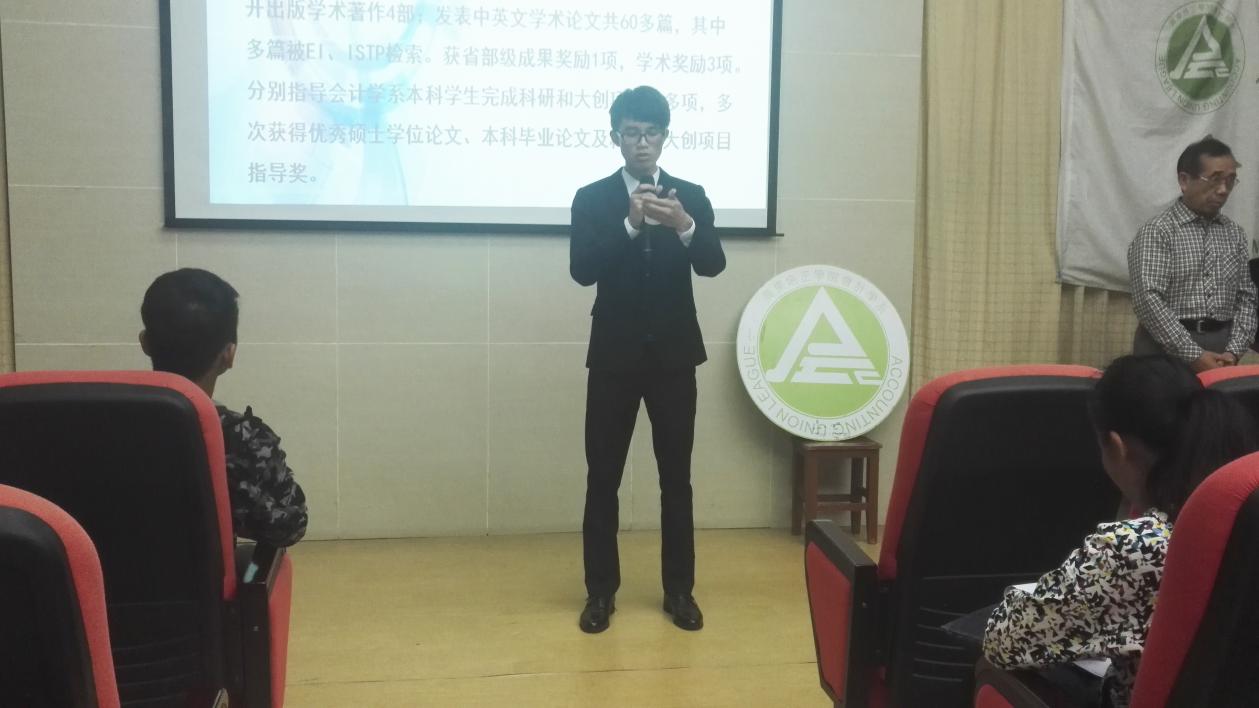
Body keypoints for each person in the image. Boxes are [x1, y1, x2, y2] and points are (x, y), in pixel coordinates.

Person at [982, 355, 1259, 708]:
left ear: (1116, 446)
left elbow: (1004, 640)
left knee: (987, 667)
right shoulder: (1242, 521)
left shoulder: (1133, 548)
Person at [569, 86, 725, 633]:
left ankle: (679, 591)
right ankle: (600, 594)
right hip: (613, 358)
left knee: (676, 479)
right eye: (632, 132)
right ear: (615, 136)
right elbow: (582, 270)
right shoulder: (592, 199)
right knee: (602, 478)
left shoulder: (691, 195)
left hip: (675, 358)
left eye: (651, 132)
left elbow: (713, 264)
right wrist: (631, 224)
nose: (642, 142)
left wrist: (684, 225)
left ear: (664, 137)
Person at [140, 268, 308, 547]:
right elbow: (289, 527)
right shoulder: (241, 438)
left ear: (145, 342)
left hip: (100, 574)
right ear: (229, 354)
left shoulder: (98, 424)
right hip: (202, 575)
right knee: (261, 562)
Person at [1128, 136, 1257, 371]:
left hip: (1222, 350)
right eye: (1215, 180)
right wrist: (1194, 355)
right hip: (1163, 354)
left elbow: (1246, 298)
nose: (1223, 190)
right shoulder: (1158, 231)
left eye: (1230, 181)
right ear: (1184, 180)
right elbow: (1148, 301)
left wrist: (1233, 351)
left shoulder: (1234, 233)